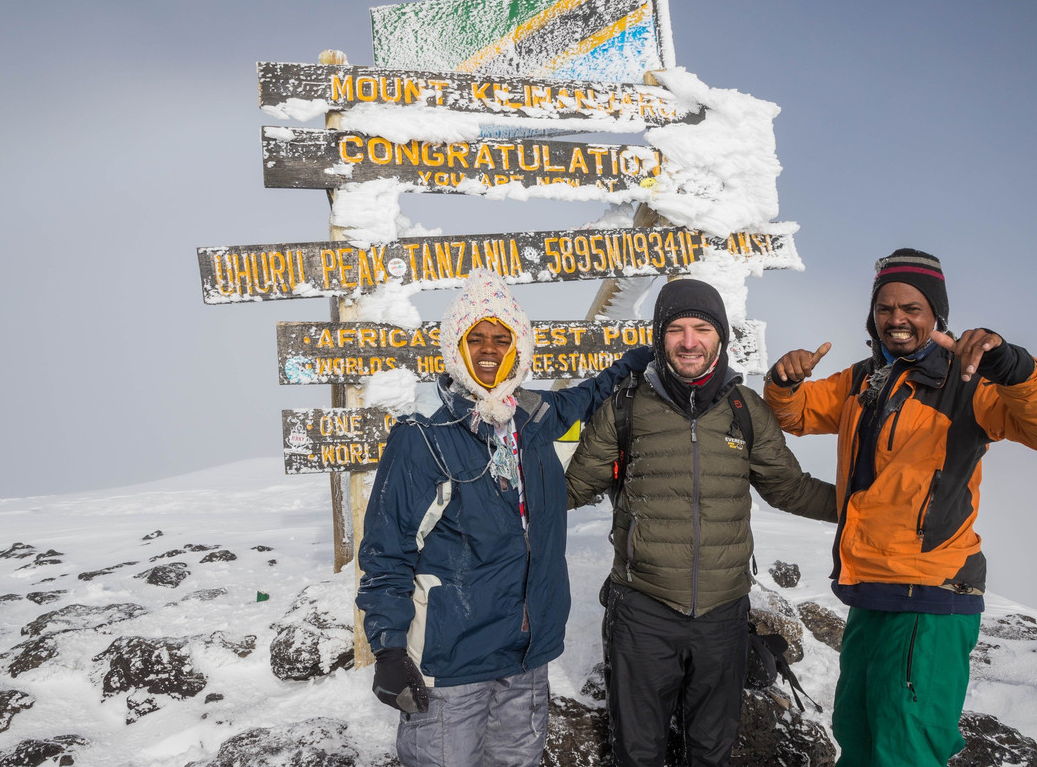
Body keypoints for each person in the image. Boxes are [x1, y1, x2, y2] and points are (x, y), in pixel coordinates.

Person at [355, 268, 651, 767]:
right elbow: (387, 548)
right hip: (453, 661)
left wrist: (627, 367)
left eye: (501, 338)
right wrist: (387, 649)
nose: (489, 350)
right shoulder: (423, 434)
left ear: (517, 347)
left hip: (526, 656)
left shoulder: (531, 417)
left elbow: (584, 398)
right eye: (476, 339)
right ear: (456, 347)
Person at [761, 248, 1037, 767]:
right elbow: (797, 414)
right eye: (885, 308)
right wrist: (784, 382)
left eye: (912, 307)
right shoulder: (865, 377)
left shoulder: (970, 381)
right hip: (870, 587)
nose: (897, 319)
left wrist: (1013, 367)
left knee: (906, 748)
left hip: (930, 593)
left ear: (937, 314)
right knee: (858, 734)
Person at [564, 278, 837, 767]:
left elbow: (789, 488)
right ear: (659, 337)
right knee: (637, 753)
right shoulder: (625, 407)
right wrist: (493, 495)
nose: (689, 342)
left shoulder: (745, 410)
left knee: (712, 752)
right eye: (676, 329)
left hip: (723, 615)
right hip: (642, 611)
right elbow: (571, 489)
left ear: (720, 338)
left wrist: (868, 505)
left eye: (702, 329)